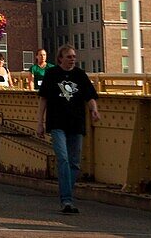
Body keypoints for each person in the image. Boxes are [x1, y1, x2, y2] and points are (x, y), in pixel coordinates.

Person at [37, 45, 100, 214]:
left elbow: (90, 96)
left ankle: (67, 196)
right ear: (60, 59)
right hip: (57, 123)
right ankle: (66, 200)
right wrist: (40, 122)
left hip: (76, 124)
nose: (72, 59)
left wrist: (94, 110)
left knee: (74, 163)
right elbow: (43, 99)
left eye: (74, 56)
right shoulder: (52, 74)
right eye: (69, 56)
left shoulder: (80, 75)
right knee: (63, 159)